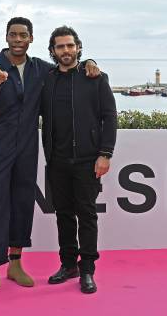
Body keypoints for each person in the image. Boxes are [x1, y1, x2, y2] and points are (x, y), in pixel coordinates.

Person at [0, 17, 100, 298]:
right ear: (6, 37)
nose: (18, 40)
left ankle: (15, 264)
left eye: (23, 35)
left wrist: (89, 61)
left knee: (22, 203)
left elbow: (68, 66)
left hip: (28, 147)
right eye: (13, 35)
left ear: (30, 39)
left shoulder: (41, 69)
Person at [41, 26, 117, 294]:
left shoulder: (95, 77)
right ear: (53, 51)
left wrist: (105, 153)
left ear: (78, 47)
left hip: (88, 160)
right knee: (63, 215)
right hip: (57, 161)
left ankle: (87, 270)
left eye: (70, 46)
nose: (66, 51)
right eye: (60, 46)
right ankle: (68, 264)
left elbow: (110, 117)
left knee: (86, 216)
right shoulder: (47, 80)